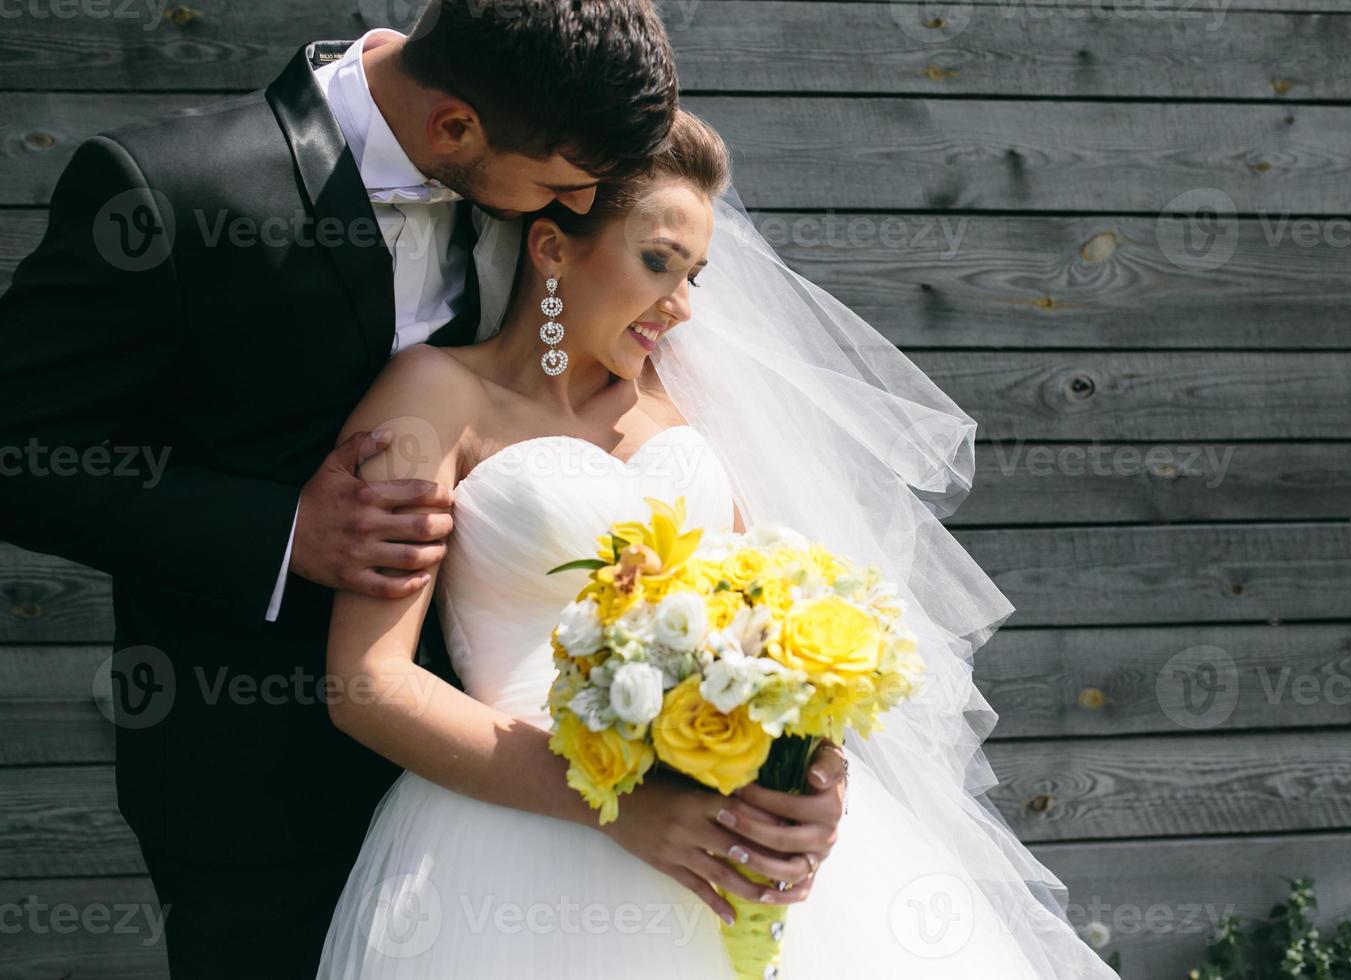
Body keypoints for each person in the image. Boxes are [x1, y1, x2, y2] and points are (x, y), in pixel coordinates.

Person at [0, 3, 830, 976]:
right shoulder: (172, 191)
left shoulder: (548, 191)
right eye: (564, 189)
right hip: (261, 785)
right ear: (454, 129)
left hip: (555, 791)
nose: (562, 208)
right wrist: (282, 532)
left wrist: (787, 761)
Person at [314, 109, 1121, 979]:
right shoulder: (437, 394)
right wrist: (617, 810)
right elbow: (367, 684)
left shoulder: (693, 409)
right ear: (551, 249)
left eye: (694, 273)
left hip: (722, 833)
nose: (683, 305)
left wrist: (818, 775)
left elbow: (765, 631)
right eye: (658, 261)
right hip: (510, 836)